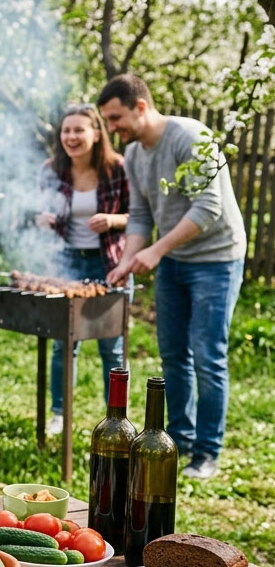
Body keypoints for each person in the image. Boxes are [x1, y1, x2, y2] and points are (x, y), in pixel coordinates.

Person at [99, 74, 246, 479]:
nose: (111, 127)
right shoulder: (133, 154)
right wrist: (127, 260)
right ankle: (180, 439)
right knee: (173, 355)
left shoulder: (190, 137)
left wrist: (156, 251)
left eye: (116, 118)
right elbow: (141, 216)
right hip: (173, 261)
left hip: (216, 260)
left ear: (140, 107)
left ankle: (208, 452)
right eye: (108, 120)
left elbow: (208, 208)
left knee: (207, 355)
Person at [35, 103, 130, 435]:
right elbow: (36, 210)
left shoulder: (118, 168)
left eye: (79, 130)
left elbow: (141, 217)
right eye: (66, 130)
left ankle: (117, 419)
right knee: (63, 342)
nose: (71, 137)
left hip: (109, 263)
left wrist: (114, 220)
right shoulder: (51, 170)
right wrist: (40, 219)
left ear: (96, 133)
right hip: (66, 262)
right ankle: (59, 413)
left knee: (112, 346)